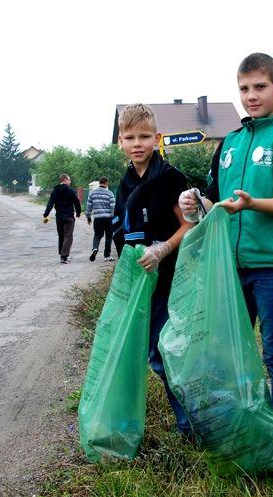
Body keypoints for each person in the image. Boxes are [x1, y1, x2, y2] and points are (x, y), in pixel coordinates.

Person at [179, 53, 273, 432]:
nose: (251, 95)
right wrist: (195, 202)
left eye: (260, 87)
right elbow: (214, 198)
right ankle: (241, 428)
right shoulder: (229, 142)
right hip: (230, 266)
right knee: (230, 353)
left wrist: (254, 204)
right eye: (244, 88)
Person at [113, 103, 194, 437]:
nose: (137, 143)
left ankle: (192, 423)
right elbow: (121, 230)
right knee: (152, 353)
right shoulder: (125, 183)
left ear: (157, 138)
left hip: (171, 279)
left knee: (166, 354)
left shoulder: (172, 178)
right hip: (140, 283)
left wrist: (163, 249)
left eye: (144, 136)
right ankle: (189, 419)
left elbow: (189, 224)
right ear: (120, 141)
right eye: (130, 137)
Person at [43, 173, 82, 264]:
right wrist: (78, 212)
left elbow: (50, 203)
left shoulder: (55, 191)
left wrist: (46, 214)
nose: (70, 181)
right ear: (64, 180)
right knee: (68, 236)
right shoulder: (70, 191)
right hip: (68, 216)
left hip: (59, 217)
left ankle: (62, 254)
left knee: (61, 236)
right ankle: (64, 256)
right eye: (69, 180)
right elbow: (76, 202)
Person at [85, 176, 116, 262]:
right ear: (106, 183)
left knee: (97, 235)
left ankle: (95, 248)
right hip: (108, 219)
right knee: (109, 236)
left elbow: (88, 207)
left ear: (99, 183)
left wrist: (88, 217)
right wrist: (114, 218)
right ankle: (107, 256)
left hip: (98, 218)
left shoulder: (92, 193)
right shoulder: (110, 193)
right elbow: (113, 207)